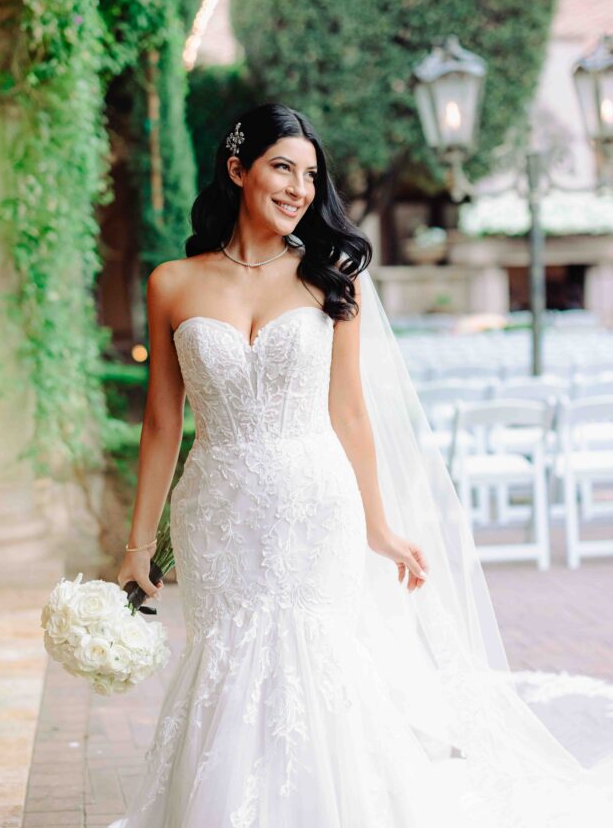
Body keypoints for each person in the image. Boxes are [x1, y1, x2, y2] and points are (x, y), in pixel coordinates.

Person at [109, 103, 613, 827]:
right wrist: (136, 547)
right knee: (225, 662)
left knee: (317, 662)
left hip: (316, 503)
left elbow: (349, 412)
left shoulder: (327, 277)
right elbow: (162, 423)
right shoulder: (173, 283)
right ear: (237, 169)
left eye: (310, 175)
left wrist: (379, 524)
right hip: (216, 510)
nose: (298, 188)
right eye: (282, 167)